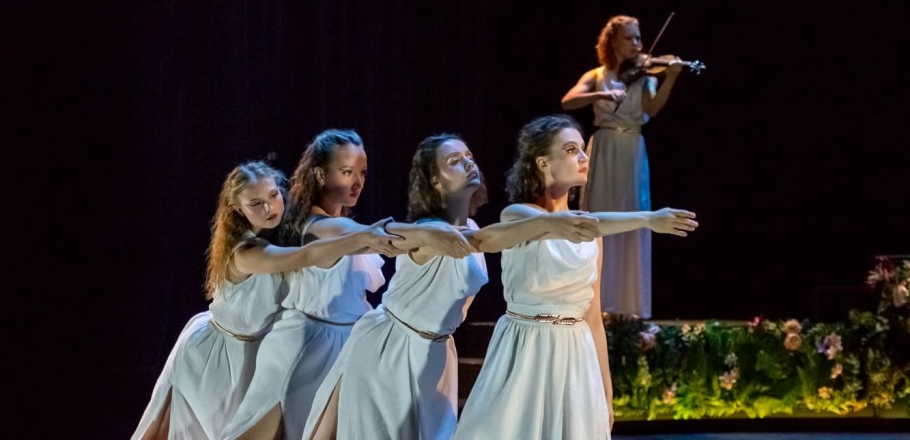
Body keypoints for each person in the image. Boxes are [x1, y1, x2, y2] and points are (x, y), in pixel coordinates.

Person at [301, 134, 603, 440]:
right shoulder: (428, 230)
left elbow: (486, 241)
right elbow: (474, 239)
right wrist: (550, 224)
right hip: (392, 348)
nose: (468, 163)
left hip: (437, 351)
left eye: (469, 157)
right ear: (434, 179)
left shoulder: (472, 228)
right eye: (454, 161)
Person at [452, 114, 697, 440]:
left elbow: (593, 318)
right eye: (571, 150)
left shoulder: (591, 235)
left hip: (575, 352)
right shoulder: (519, 215)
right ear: (543, 162)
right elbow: (569, 225)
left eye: (582, 149)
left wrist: (605, 392)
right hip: (527, 345)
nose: (583, 157)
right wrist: (647, 218)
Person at [222, 130, 471, 440]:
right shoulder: (318, 226)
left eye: (362, 172)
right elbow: (369, 235)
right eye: (346, 172)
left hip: (345, 343)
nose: (358, 182)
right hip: (306, 347)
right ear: (320, 174)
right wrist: (430, 234)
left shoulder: (332, 222)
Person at [131, 161, 399, 440]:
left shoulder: (285, 231)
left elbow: (323, 236)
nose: (269, 208)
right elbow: (305, 256)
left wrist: (368, 237)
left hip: (258, 351)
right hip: (219, 358)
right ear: (238, 209)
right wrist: (362, 238)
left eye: (273, 195)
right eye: (256, 204)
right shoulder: (245, 253)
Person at [560, 15, 685, 318]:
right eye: (630, 38)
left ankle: (630, 309)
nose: (637, 44)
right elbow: (568, 101)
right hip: (604, 147)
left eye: (639, 38)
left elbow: (652, 108)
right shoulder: (597, 75)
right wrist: (602, 93)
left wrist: (671, 77)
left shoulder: (644, 75)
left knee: (633, 217)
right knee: (600, 217)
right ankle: (598, 306)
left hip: (631, 147)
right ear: (613, 42)